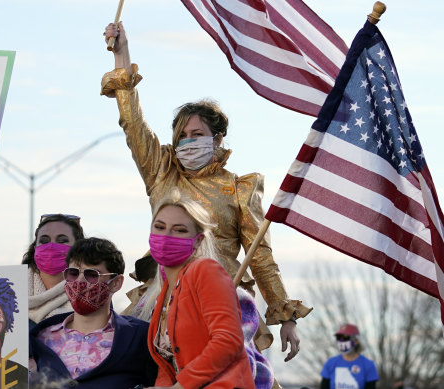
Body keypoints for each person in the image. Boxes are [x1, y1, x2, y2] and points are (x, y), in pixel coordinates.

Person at [102, 22, 311, 359]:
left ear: (217, 139)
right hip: (163, 297)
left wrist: (284, 314)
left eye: (196, 134)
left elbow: (260, 256)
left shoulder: (238, 188)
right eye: (181, 135)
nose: (187, 141)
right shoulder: (161, 172)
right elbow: (133, 123)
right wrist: (121, 54)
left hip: (221, 302)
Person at [145, 189, 260, 388]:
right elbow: (166, 367)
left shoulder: (205, 270)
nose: (166, 236)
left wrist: (181, 386)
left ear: (198, 241)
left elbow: (228, 340)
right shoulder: (163, 294)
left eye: (179, 230)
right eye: (160, 227)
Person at [29, 237, 157, 388]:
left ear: (115, 283)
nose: (80, 281)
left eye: (92, 274)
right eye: (73, 273)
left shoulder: (140, 338)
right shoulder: (39, 338)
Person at [320, 323, 379, 389]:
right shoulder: (330, 363)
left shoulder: (368, 365)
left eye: (345, 337)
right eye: (339, 337)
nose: (341, 340)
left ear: (356, 341)